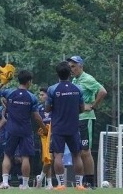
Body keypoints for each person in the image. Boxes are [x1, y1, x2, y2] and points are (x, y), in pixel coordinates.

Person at [0, 70, 46, 190]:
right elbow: (36, 116)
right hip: (26, 130)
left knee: (7, 155)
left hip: (11, 129)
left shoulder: (10, 93)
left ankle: (5, 182)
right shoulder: (32, 97)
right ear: (29, 82)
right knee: (25, 157)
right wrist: (44, 128)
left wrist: (3, 82)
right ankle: (25, 185)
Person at [45, 61, 86, 191]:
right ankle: (79, 184)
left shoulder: (52, 89)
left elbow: (47, 109)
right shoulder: (78, 89)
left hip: (58, 127)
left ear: (57, 74)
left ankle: (61, 184)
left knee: (58, 155)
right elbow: (82, 108)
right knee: (77, 155)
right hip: (74, 126)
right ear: (70, 73)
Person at [68, 56, 107, 189]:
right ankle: (82, 181)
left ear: (81, 66)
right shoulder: (74, 80)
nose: (71, 69)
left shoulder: (88, 79)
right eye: (70, 67)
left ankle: (90, 182)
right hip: (75, 119)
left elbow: (102, 91)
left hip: (86, 118)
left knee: (86, 151)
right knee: (78, 151)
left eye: (73, 66)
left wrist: (93, 106)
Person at [35, 86, 53, 189]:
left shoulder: (54, 106)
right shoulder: (39, 108)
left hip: (54, 135)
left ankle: (41, 179)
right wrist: (41, 130)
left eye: (42, 95)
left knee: (51, 159)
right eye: (39, 95)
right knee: (47, 160)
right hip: (44, 137)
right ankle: (49, 184)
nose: (40, 96)